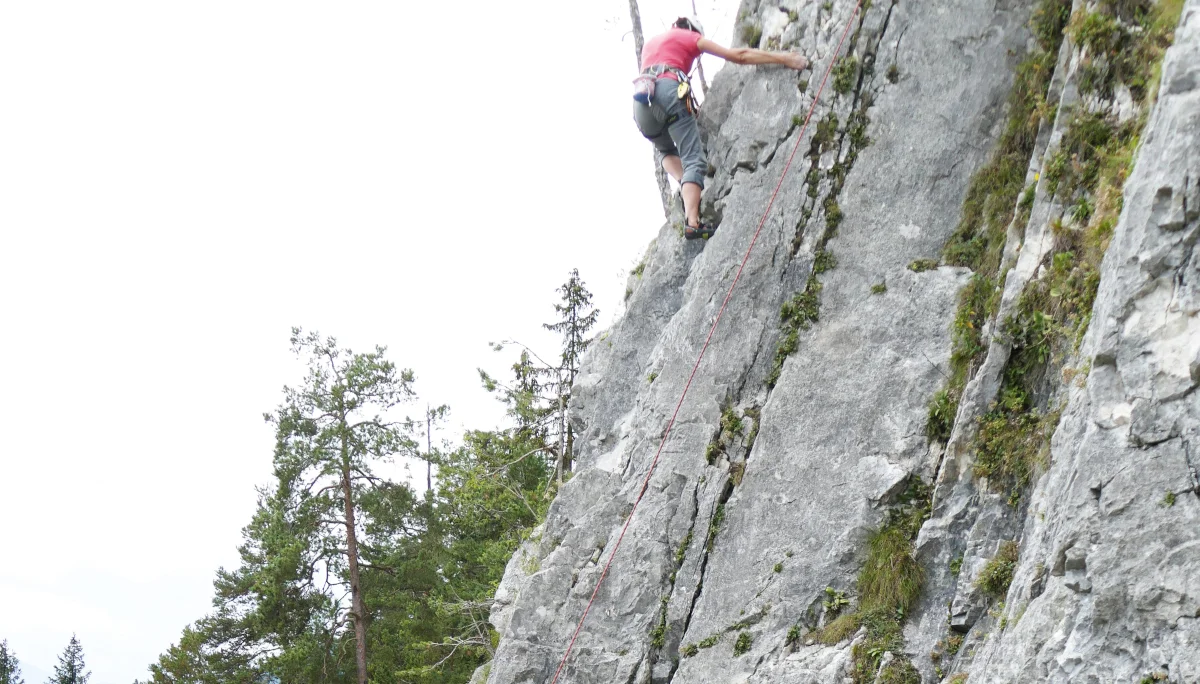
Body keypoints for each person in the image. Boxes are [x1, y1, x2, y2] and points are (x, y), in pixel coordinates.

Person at [633, 17, 810, 239]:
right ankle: (693, 222)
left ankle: (685, 184)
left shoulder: (651, 44)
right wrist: (784, 58)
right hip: (668, 92)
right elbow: (740, 56)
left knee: (666, 152)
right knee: (694, 161)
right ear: (692, 29)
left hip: (641, 103)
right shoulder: (691, 37)